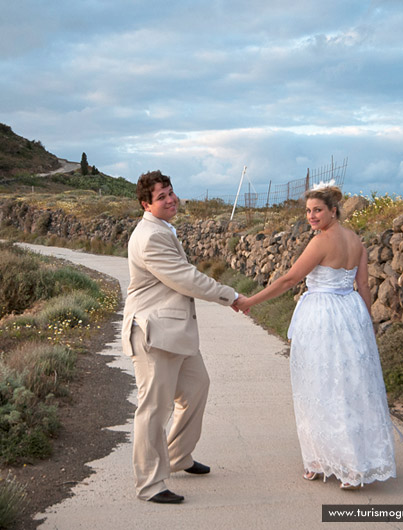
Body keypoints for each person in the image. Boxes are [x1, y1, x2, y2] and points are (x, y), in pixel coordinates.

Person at [234, 181, 397, 489]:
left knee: (320, 386)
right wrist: (366, 323)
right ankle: (352, 464)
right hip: (351, 313)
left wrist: (250, 302)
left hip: (323, 316)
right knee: (350, 387)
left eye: (317, 210)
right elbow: (363, 288)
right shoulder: (356, 240)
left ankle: (320, 461)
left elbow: (290, 279)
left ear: (333, 211)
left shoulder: (321, 242)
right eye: (308, 211)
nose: (311, 216)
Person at [121, 170, 246, 504]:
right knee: (153, 409)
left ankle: (178, 456)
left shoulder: (161, 229)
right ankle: (150, 484)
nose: (170, 200)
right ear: (146, 204)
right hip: (154, 334)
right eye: (161, 197)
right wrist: (230, 296)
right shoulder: (150, 237)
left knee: (196, 387)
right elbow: (186, 279)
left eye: (171, 193)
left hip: (173, 331)